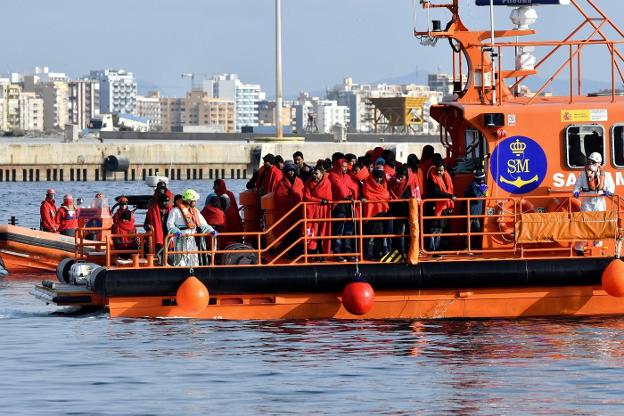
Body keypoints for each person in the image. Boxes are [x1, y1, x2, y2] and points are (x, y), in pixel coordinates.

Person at [573, 152, 615, 255]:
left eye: (592, 162)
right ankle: (579, 248)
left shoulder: (605, 175)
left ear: (598, 163)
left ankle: (597, 246)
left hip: (600, 202)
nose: (590, 163)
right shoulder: (583, 174)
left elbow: (611, 186)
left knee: (599, 226)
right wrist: (576, 191)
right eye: (589, 161)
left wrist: (609, 191)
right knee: (585, 226)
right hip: (587, 202)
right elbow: (577, 185)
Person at [167, 189, 216, 267]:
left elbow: (203, 224)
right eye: (194, 200)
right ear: (189, 201)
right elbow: (170, 224)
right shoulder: (175, 211)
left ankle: (194, 271)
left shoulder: (195, 211)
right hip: (180, 239)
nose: (196, 202)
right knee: (181, 260)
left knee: (194, 259)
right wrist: (175, 231)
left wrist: (211, 230)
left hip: (192, 239)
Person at [328, 159, 357, 260]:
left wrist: (350, 191)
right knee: (339, 230)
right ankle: (337, 253)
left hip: (349, 205)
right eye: (343, 166)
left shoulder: (347, 177)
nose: (345, 168)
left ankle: (348, 253)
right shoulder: (333, 175)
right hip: (338, 205)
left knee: (348, 231)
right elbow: (341, 191)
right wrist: (349, 191)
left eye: (346, 166)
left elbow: (355, 188)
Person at [273, 163, 305, 254]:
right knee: (288, 233)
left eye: (293, 171)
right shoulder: (281, 183)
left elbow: (301, 193)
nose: (291, 172)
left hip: (298, 212)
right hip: (286, 213)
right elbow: (279, 197)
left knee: (297, 231)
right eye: (289, 171)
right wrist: (291, 197)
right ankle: (289, 251)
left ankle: (297, 250)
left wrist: (295, 195)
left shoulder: (299, 182)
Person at [426, 162, 456, 252]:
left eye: (441, 170)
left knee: (440, 229)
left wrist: (449, 205)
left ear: (444, 171)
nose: (439, 172)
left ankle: (436, 248)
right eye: (438, 170)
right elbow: (436, 192)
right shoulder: (432, 179)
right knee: (433, 229)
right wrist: (450, 196)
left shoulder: (445, 178)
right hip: (434, 207)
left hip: (443, 207)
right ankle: (432, 248)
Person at [363, 168, 392, 260]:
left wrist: (378, 197)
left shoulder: (383, 184)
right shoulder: (367, 184)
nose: (379, 180)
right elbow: (368, 194)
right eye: (377, 178)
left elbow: (386, 195)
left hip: (381, 211)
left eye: (381, 178)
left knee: (378, 234)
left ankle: (375, 254)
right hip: (372, 212)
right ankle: (370, 254)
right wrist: (381, 196)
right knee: (373, 234)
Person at [303, 166, 333, 257]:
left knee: (323, 231)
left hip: (324, 210)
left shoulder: (327, 182)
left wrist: (321, 201)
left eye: (316, 173)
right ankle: (313, 253)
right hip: (313, 210)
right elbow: (306, 196)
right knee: (313, 231)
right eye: (313, 173)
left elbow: (328, 196)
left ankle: (323, 253)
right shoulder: (308, 183)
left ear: (322, 173)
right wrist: (319, 201)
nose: (314, 175)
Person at [463, 169, 488, 251]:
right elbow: (477, 198)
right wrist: (483, 193)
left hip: (475, 212)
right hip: (471, 211)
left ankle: (476, 246)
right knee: (469, 230)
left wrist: (484, 192)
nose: (482, 181)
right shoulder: (473, 185)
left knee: (476, 229)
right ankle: (468, 247)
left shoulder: (477, 185)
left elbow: (484, 196)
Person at [145, 193, 171, 260]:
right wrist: (148, 226)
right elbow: (146, 224)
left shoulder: (171, 210)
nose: (167, 203)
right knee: (158, 254)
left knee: (170, 253)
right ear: (160, 202)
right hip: (157, 236)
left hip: (168, 234)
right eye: (165, 201)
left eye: (168, 201)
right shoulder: (152, 211)